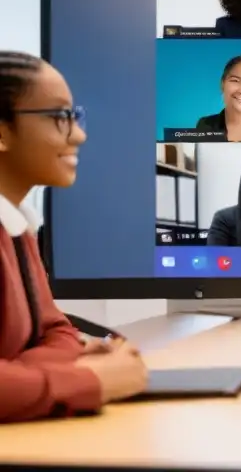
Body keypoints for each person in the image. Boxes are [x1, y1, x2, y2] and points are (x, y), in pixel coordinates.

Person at [0, 52, 147, 422]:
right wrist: (86, 381)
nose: (79, 134)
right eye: (59, 117)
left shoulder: (18, 226)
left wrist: (21, 374)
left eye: (74, 116)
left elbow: (56, 330)